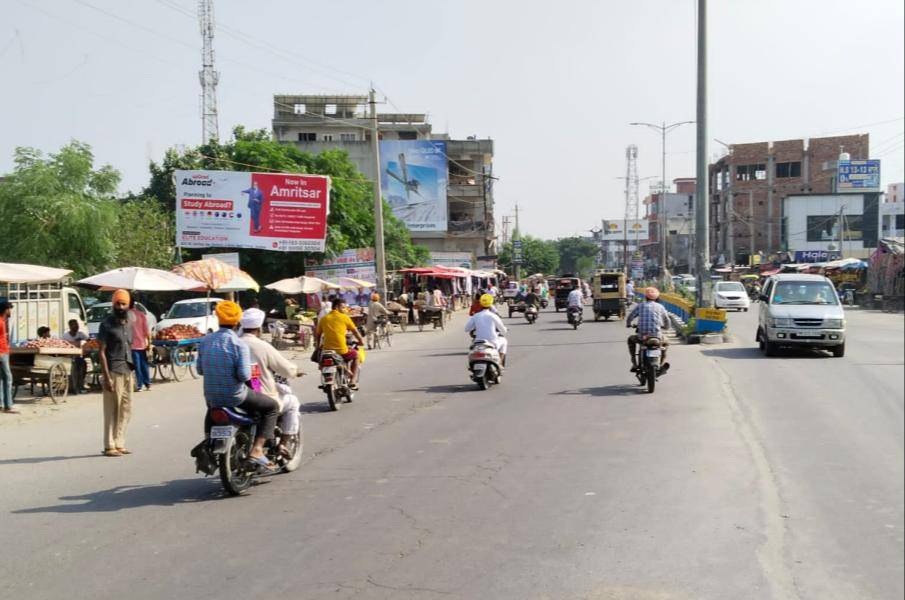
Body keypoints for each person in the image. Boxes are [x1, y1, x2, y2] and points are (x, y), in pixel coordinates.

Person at [197, 301, 280, 469]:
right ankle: (257, 449)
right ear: (237, 322)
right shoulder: (239, 344)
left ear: (217, 319)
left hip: (211, 396)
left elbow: (200, 370)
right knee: (271, 407)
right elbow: (244, 375)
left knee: (212, 408)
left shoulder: (205, 342)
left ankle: (208, 442)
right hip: (236, 396)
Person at [239, 308, 302, 456]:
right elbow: (284, 368)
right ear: (259, 328)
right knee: (292, 402)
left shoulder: (235, 343)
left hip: (237, 393)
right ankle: (283, 444)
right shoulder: (262, 345)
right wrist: (294, 371)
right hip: (257, 392)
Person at [97, 289, 135, 457]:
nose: (120, 306)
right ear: (113, 304)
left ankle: (119, 442)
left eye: (123, 303)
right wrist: (106, 376)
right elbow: (101, 352)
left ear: (128, 305)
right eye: (117, 303)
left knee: (126, 409)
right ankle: (109, 445)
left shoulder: (129, 323)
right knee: (112, 409)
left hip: (127, 370)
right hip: (113, 370)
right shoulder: (106, 324)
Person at [314, 297, 366, 389]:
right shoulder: (344, 318)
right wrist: (361, 341)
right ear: (337, 307)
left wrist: (317, 347)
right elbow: (355, 332)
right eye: (343, 307)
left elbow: (317, 335)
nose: (345, 309)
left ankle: (339, 372)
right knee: (356, 355)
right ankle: (353, 381)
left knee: (322, 362)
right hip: (342, 350)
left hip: (327, 350)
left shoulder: (324, 319)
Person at [625, 287, 671, 374]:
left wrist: (628, 324)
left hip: (642, 337)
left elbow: (631, 316)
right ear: (657, 298)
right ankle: (661, 365)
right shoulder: (660, 307)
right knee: (666, 343)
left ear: (645, 297)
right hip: (657, 337)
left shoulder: (641, 305)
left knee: (631, 339)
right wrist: (666, 327)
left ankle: (634, 363)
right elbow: (667, 320)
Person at [464, 294, 509, 367]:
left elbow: (466, 329)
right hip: (493, 343)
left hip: (478, 343)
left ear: (481, 304)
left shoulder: (476, 316)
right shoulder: (493, 316)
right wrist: (505, 329)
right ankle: (500, 363)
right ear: (490, 304)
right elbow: (503, 330)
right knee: (504, 341)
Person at [129, 299, 152, 392]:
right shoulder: (141, 314)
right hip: (142, 344)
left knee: (137, 365)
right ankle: (148, 383)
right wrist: (149, 343)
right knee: (144, 364)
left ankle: (139, 384)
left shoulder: (126, 315)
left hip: (132, 345)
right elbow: (147, 331)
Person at [63, 319, 89, 395]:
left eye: (77, 325)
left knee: (83, 364)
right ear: (70, 326)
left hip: (79, 356)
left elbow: (88, 341)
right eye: (74, 325)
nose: (76, 327)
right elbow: (65, 345)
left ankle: (81, 384)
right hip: (69, 357)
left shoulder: (81, 334)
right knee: (76, 366)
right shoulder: (66, 336)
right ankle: (75, 387)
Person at [0, 301, 17, 414]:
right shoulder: (0, 321)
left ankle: (1, 405)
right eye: (9, 309)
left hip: (3, 351)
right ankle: (8, 406)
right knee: (8, 378)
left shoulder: (3, 321)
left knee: (1, 379)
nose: (10, 311)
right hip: (2, 352)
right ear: (5, 310)